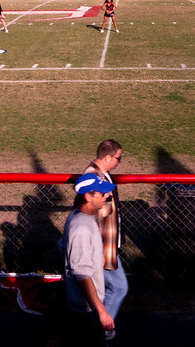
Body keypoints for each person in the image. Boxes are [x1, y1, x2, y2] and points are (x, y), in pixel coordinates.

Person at [63, 172, 117, 344]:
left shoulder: (83, 216)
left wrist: (97, 254)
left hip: (87, 308)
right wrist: (101, 311)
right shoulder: (81, 228)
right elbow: (82, 274)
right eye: (102, 193)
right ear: (88, 196)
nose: (107, 196)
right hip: (85, 311)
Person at [81, 140, 127, 336]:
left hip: (107, 248)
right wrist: (96, 249)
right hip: (100, 251)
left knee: (110, 289)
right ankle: (103, 333)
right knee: (118, 288)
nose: (119, 162)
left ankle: (100, 331)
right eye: (118, 158)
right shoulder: (92, 177)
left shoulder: (102, 175)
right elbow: (88, 215)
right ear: (108, 157)